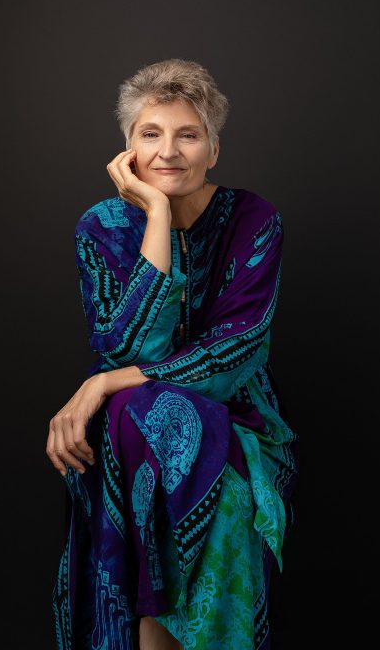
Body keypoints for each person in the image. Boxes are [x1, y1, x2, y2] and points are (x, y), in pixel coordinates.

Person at [46, 58, 299, 650]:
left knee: (167, 424)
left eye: (188, 134)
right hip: (132, 428)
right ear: (127, 150)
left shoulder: (254, 220)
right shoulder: (102, 227)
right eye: (150, 134)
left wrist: (105, 384)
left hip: (242, 420)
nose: (169, 151)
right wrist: (157, 216)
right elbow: (128, 349)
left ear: (213, 148)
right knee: (148, 411)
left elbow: (236, 351)